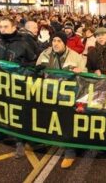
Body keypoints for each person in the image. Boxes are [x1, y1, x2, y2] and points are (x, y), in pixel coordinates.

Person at [36, 31, 86, 169]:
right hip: (49, 94)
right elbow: (37, 72)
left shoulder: (75, 56)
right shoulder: (44, 54)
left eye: (59, 41)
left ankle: (69, 152)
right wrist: (37, 70)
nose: (55, 43)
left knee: (66, 123)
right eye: (54, 41)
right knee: (51, 120)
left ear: (64, 43)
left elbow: (85, 74)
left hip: (67, 96)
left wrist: (79, 71)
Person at [0, 16, 37, 158]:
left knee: (19, 113)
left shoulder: (24, 43)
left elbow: (34, 61)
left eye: (6, 26)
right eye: (1, 26)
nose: (2, 29)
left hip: (18, 84)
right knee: (4, 109)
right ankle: (2, 132)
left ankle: (20, 142)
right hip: (2, 84)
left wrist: (26, 68)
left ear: (14, 28)